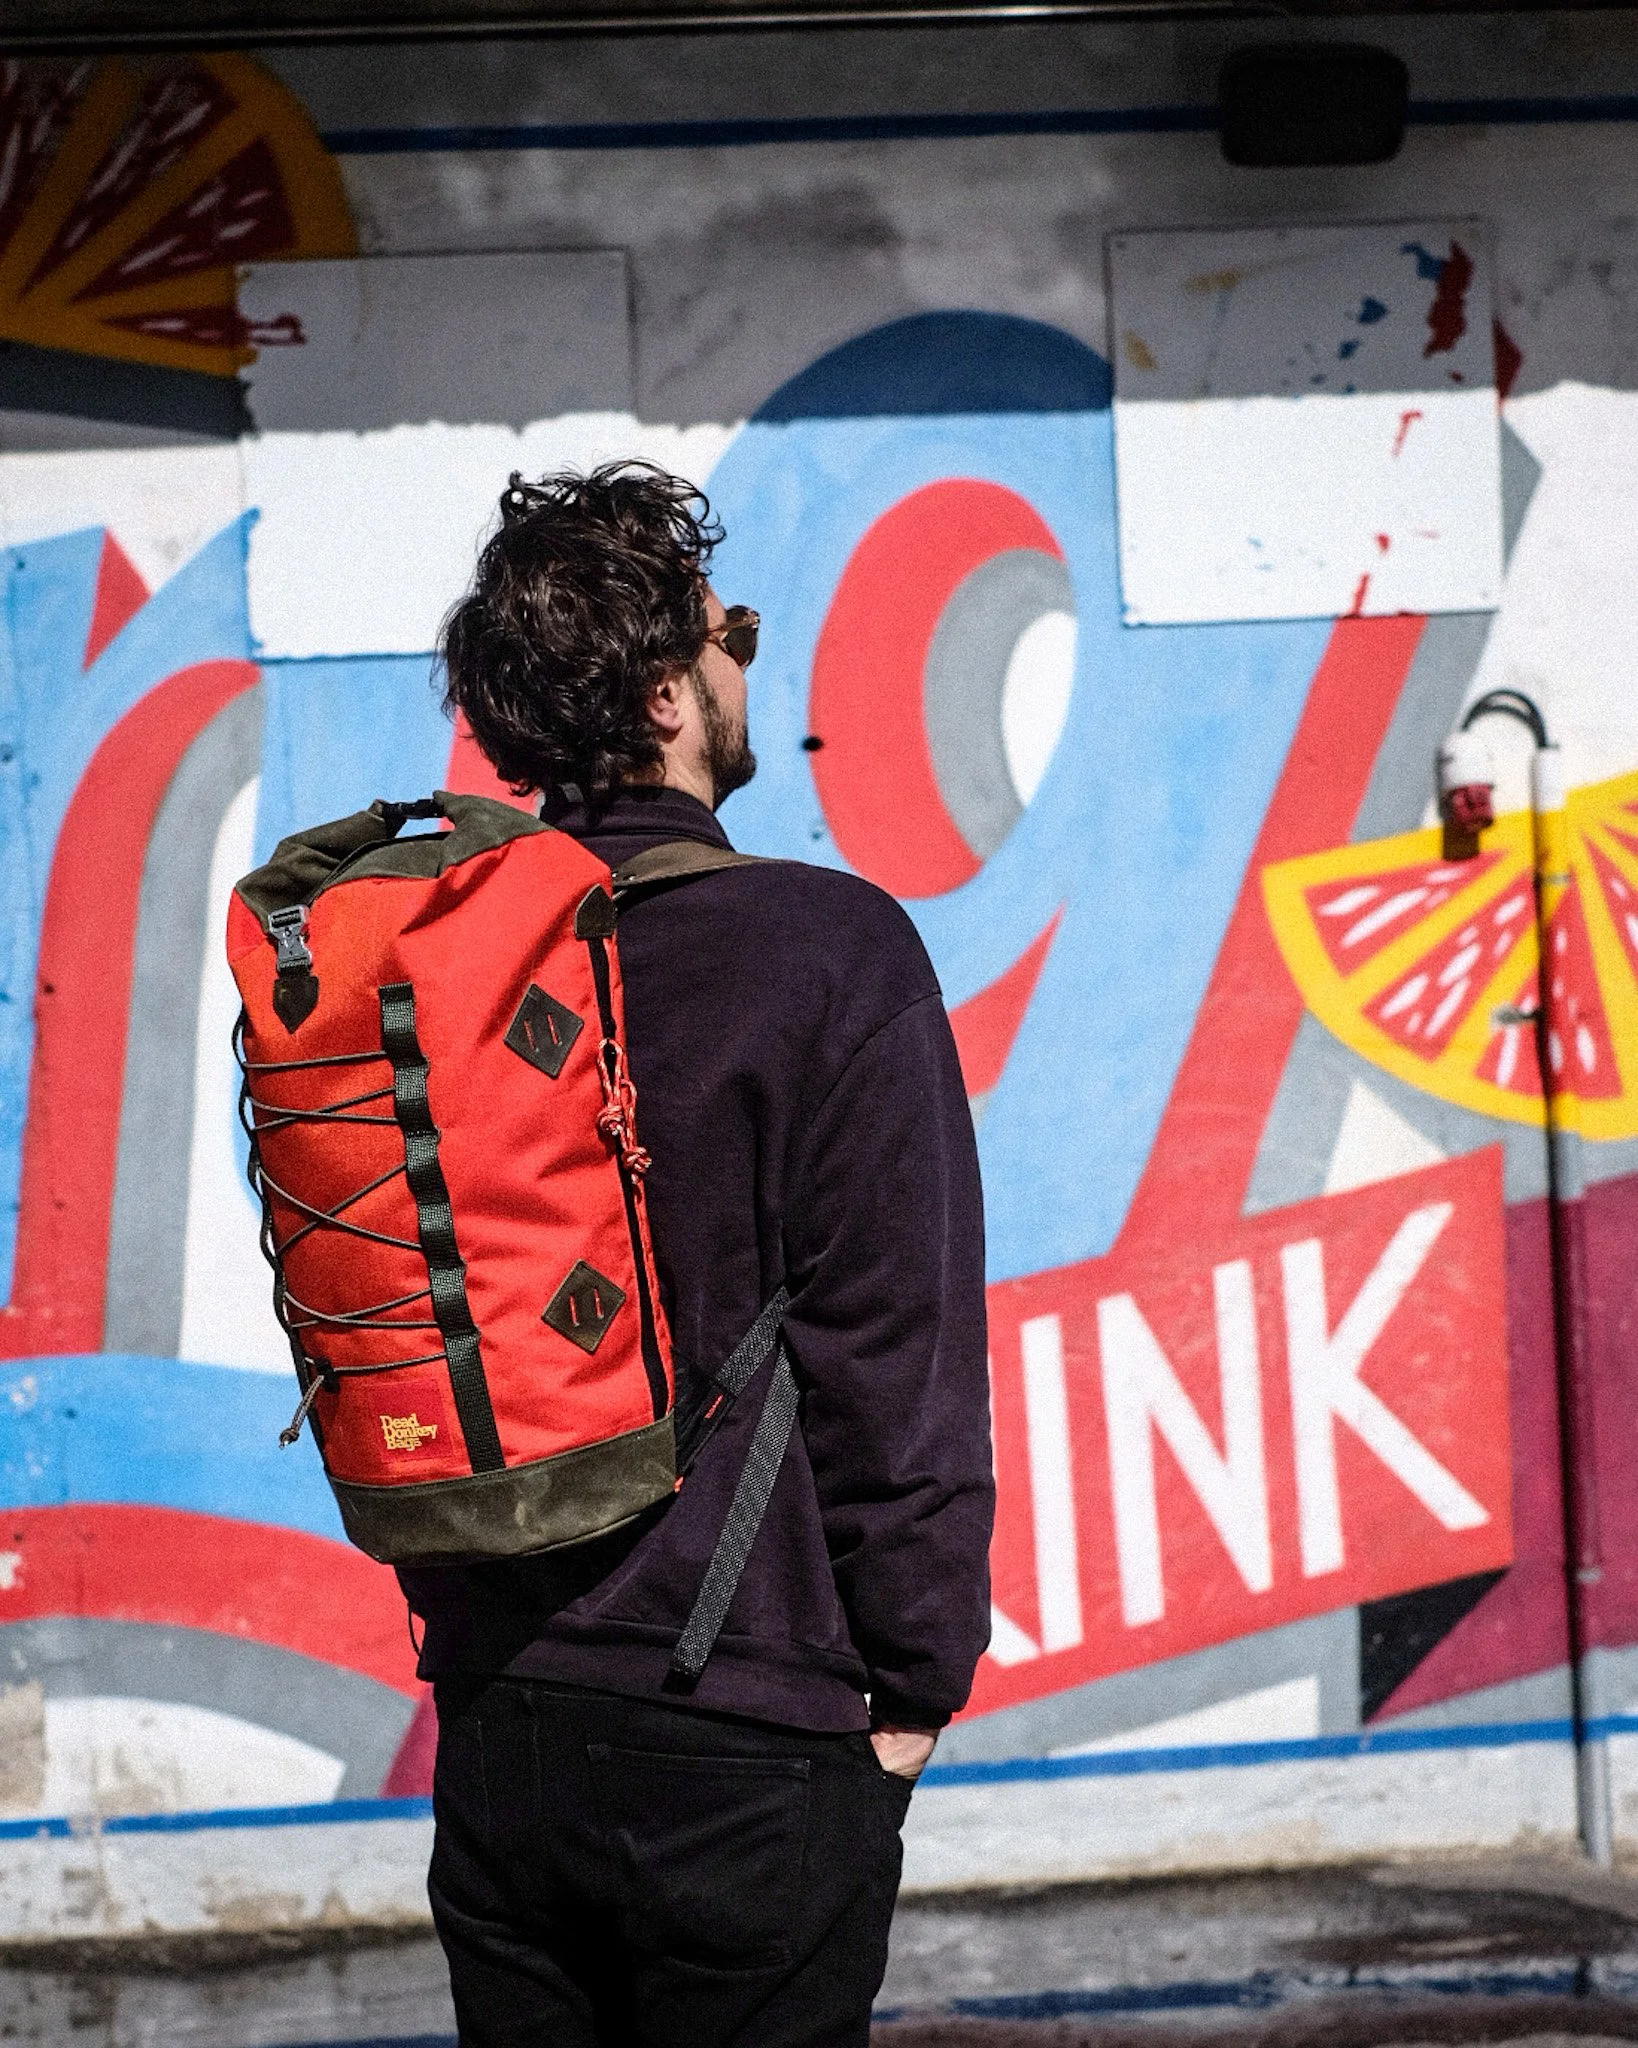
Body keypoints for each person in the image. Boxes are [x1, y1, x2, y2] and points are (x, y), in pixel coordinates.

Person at [404, 460, 993, 2048]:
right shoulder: (828, 947)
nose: (749, 666)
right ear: (670, 689)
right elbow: (899, 1350)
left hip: (499, 1712)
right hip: (745, 1730)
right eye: (733, 632)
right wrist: (914, 1692)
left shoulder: (445, 962)